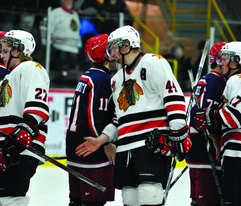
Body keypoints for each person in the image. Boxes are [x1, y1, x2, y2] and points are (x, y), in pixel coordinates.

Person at [75, 25, 192, 206]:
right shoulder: (116, 80)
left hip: (150, 142)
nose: (112, 53)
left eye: (114, 47)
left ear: (127, 45)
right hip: (126, 146)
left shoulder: (153, 62)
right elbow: (118, 119)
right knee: (129, 195)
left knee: (150, 192)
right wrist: (101, 140)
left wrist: (178, 131)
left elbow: (173, 96)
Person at [191, 41, 241, 205]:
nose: (221, 63)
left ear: (237, 60)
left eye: (225, 58)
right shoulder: (234, 82)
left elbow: (234, 117)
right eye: (220, 58)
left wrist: (210, 115)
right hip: (239, 153)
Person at [65, 33, 117, 206]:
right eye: (112, 49)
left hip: (76, 150)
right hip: (90, 151)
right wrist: (104, 142)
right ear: (105, 54)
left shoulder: (87, 75)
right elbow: (93, 117)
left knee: (76, 201)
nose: (116, 53)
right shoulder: (102, 80)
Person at [0, 30, 50, 206]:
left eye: (6, 51)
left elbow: (37, 106)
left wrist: (25, 131)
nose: (2, 55)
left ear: (19, 50)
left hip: (20, 147)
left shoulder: (31, 68)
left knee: (11, 198)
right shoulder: (8, 76)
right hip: (7, 144)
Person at [186, 41, 226, 205]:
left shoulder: (206, 79)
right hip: (205, 147)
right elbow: (201, 115)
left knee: (199, 199)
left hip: (196, 145)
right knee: (208, 199)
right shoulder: (217, 82)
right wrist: (213, 138)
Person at [48, 0, 82, 86]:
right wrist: (47, 42)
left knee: (71, 73)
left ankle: (70, 89)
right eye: (67, 0)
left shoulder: (74, 13)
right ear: (62, 1)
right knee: (60, 73)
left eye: (70, 0)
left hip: (73, 49)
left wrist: (79, 45)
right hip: (60, 48)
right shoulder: (56, 12)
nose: (69, 2)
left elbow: (77, 30)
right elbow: (48, 28)